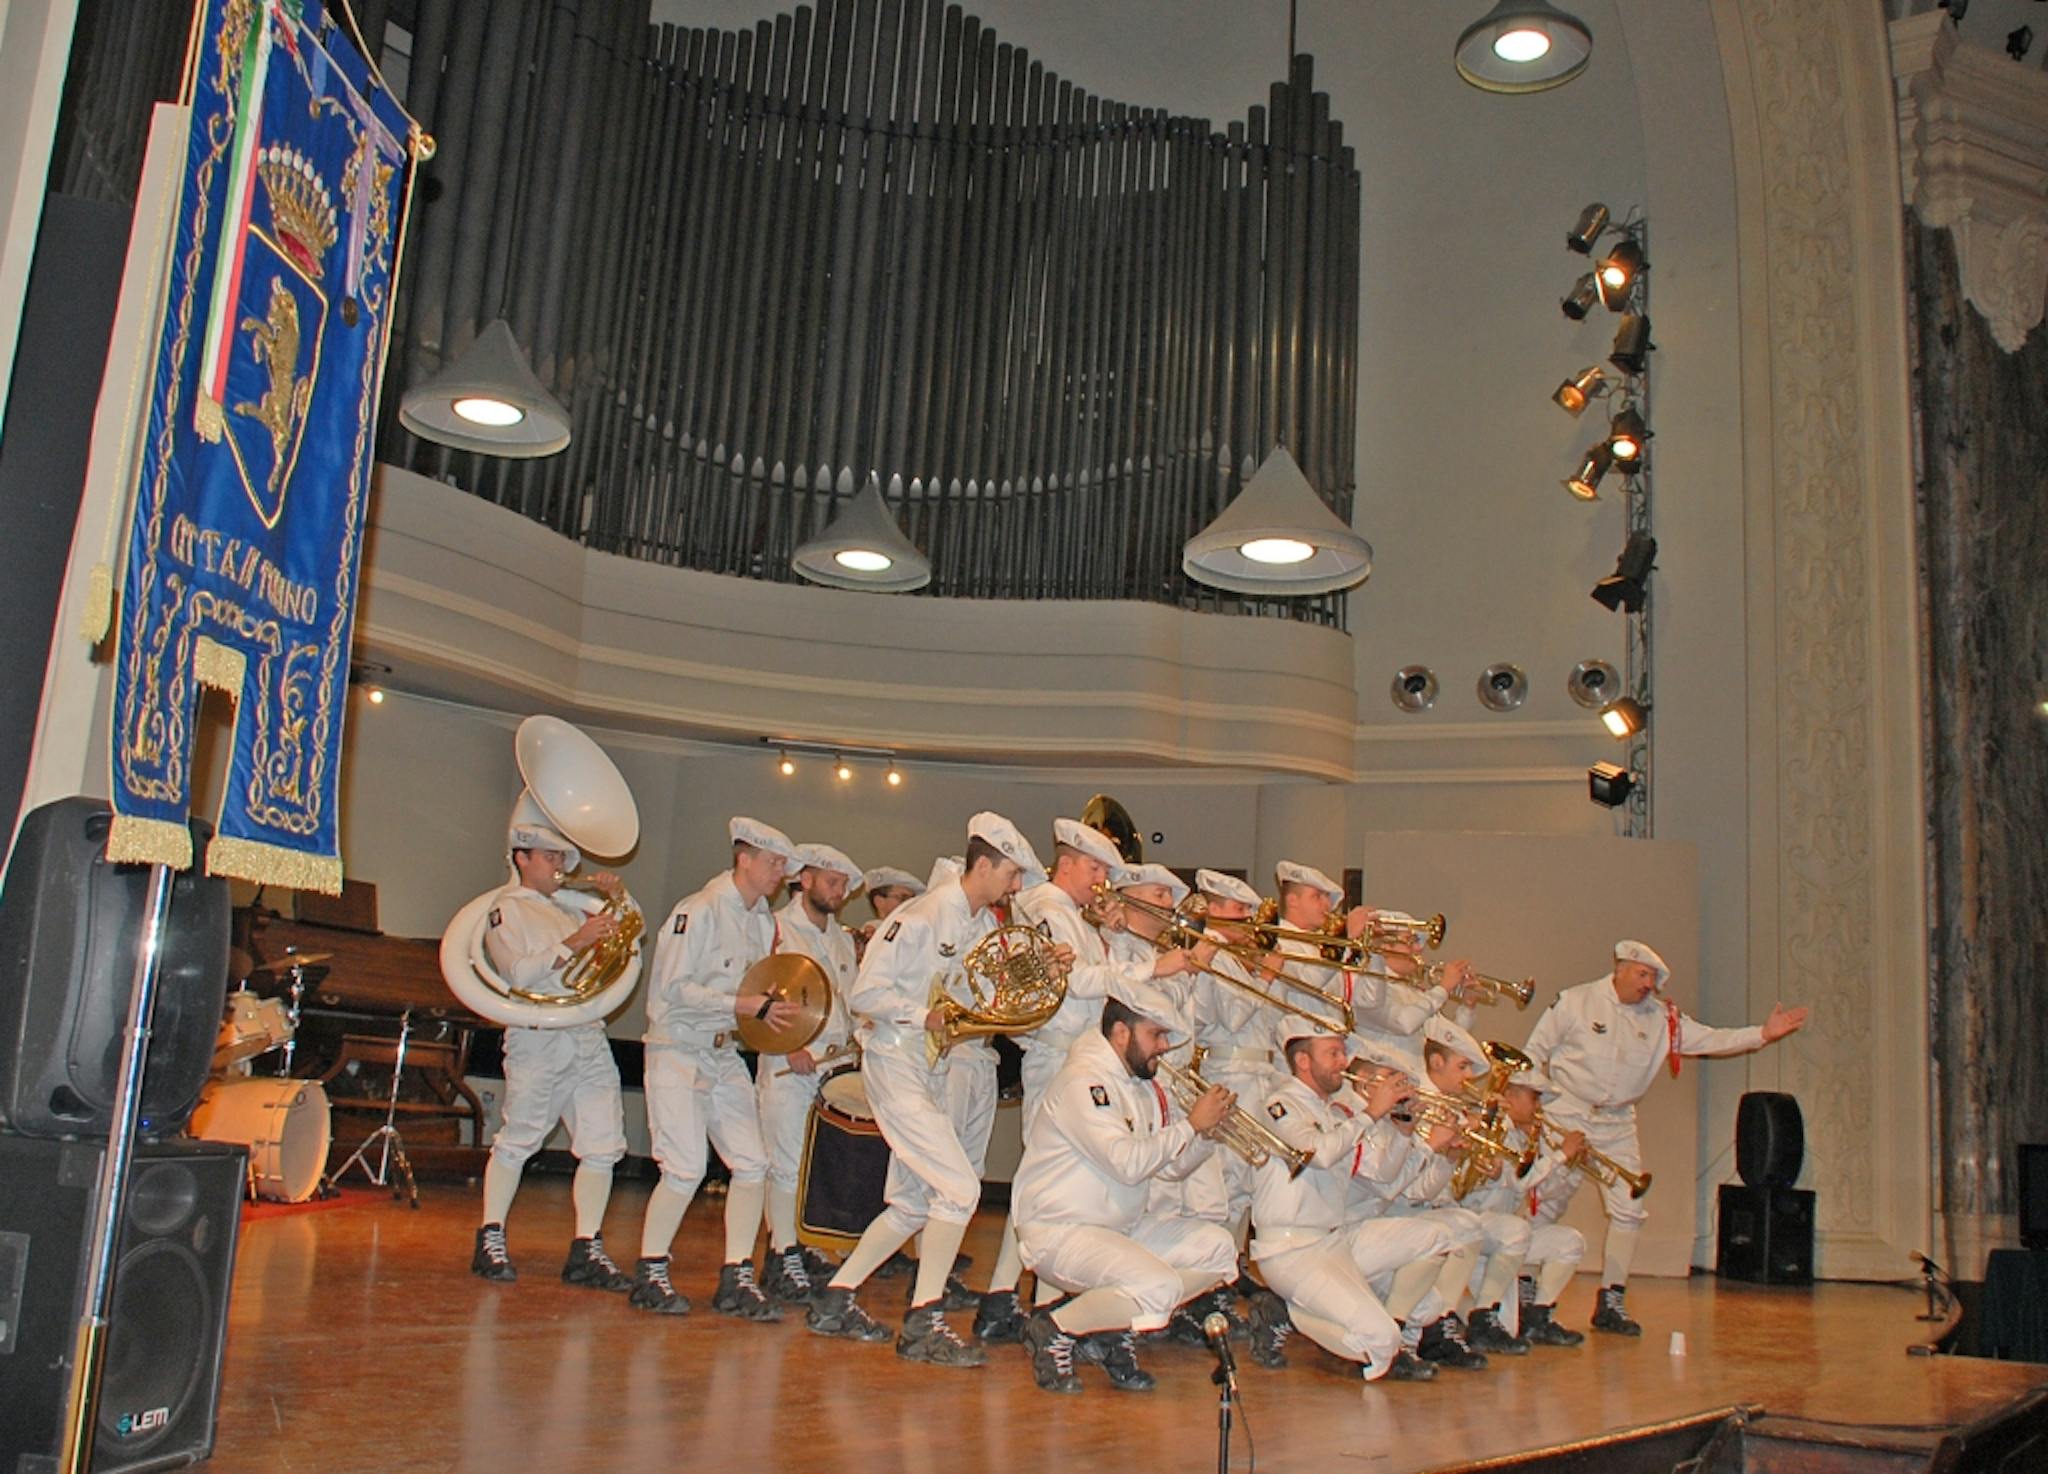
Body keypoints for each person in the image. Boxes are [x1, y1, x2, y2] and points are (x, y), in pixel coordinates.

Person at [807, 813, 1062, 1366]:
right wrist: (920, 1016)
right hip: (897, 1063)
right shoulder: (921, 915)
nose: (1016, 887)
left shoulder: (977, 925)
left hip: (932, 1069)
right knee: (960, 1191)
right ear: (984, 865)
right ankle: (924, 1319)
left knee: (912, 1203)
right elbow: (866, 995)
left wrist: (1042, 967)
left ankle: (835, 1299)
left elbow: (993, 998)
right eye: (1012, 874)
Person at [1520, 939, 1809, 1334]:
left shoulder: (1661, 1018)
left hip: (1617, 1123)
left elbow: (1709, 1039)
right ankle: (1525, 1292)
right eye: (1642, 975)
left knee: (1629, 1208)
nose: (1649, 986)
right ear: (1620, 968)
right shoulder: (1576, 1001)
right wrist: (1531, 1105)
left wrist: (1762, 1034)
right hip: (1567, 1111)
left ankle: (1612, 1299)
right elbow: (1534, 1051)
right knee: (1548, 1199)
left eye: (1654, 979)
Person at [976, 821, 1189, 1343]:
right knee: (1047, 1190)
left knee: (1066, 1191)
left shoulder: (1071, 914)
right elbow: (1073, 983)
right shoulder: (1048, 907)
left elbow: (1098, 973)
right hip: (1056, 1059)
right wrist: (1152, 969)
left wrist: (1114, 934)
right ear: (1066, 863)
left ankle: (1030, 1302)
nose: (1102, 881)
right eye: (1095, 869)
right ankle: (1005, 1298)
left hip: (1077, 1055)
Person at [1013, 980, 1239, 1393]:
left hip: (1119, 1228)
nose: (1164, 1047)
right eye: (1156, 1035)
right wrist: (1191, 1125)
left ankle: (1108, 1324)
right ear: (1121, 1033)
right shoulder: (1084, 1083)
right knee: (1160, 1285)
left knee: (1220, 1249)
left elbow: (1167, 1169)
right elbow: (1127, 1164)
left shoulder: (1138, 1085)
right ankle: (1055, 1328)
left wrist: (1206, 1137)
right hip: (1061, 1231)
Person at [631, 817, 805, 1319]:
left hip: (723, 1052)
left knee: (753, 1164)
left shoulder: (760, 921)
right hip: (678, 1049)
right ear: (743, 858)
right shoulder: (700, 910)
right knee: (684, 1169)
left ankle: (736, 1276)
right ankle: (651, 1270)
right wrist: (746, 1005)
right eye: (773, 863)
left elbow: (756, 997)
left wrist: (767, 1013)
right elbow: (673, 990)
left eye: (783, 867)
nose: (779, 874)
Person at [471, 799, 634, 1292]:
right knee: (519, 1138)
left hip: (584, 1033)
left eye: (562, 859)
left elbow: (616, 947)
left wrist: (616, 901)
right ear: (521, 857)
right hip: (538, 1037)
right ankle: (491, 1236)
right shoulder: (504, 910)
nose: (560, 867)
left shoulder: (567, 908)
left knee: (603, 1144)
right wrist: (575, 943)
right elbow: (517, 973)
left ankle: (586, 1246)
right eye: (549, 857)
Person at [1246, 1023, 1458, 1382]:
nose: (1343, 1062)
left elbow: (1385, 1180)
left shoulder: (1335, 1113)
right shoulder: (1278, 1103)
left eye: (1342, 1052)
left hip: (1334, 1239)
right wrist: (1371, 1114)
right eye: (1333, 1053)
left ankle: (1305, 1311)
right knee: (1380, 1339)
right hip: (1289, 1248)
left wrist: (1406, 1129)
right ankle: (1286, 1312)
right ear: (1302, 1061)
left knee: (1438, 1242)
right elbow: (1319, 1153)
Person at [756, 842, 865, 1304]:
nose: (838, 891)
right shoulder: (777, 928)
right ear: (804, 879)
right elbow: (757, 995)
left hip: (833, 1066)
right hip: (791, 1064)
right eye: (831, 881)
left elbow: (851, 999)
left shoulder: (840, 938)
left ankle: (808, 1247)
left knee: (816, 1166)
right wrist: (789, 1046)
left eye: (843, 885)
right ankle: (780, 1258)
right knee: (784, 1164)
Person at [1466, 1062, 1588, 1347]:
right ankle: (1480, 1320)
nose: (1539, 1108)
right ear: (1511, 1095)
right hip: (1476, 1227)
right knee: (1516, 1229)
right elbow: (1518, 1181)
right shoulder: (1493, 1129)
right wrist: (1559, 1156)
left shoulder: (1523, 1138)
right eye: (1535, 1098)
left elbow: (1543, 1190)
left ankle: (1538, 1317)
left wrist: (1570, 1165)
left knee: (1570, 1242)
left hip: (1505, 1235)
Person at [853, 866, 924, 961]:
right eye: (903, 898)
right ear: (879, 901)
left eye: (912, 900)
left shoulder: (916, 932)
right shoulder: (871, 933)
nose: (908, 904)